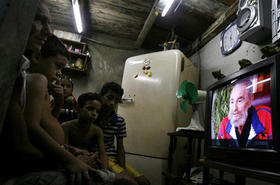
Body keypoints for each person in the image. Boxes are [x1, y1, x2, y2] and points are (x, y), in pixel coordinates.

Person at [98, 82, 150, 185]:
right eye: (109, 98)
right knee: (130, 182)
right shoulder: (92, 115)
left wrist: (122, 169)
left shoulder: (119, 121)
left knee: (144, 182)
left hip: (114, 158)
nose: (112, 103)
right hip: (100, 158)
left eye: (117, 100)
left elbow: (120, 148)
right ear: (101, 96)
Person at [217, 80, 272, 148]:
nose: (234, 108)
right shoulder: (224, 124)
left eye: (239, 101)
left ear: (251, 99)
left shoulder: (267, 116)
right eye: (232, 102)